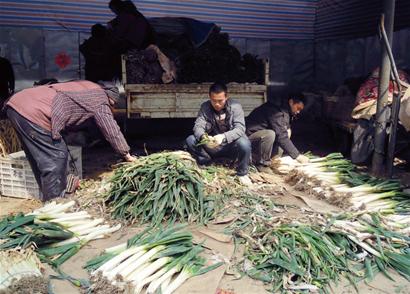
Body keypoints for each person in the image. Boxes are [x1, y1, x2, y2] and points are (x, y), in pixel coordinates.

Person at [5, 80, 135, 201]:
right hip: (32, 112)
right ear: (112, 100)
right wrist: (125, 153)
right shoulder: (101, 100)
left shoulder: (87, 86)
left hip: (16, 105)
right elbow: (111, 130)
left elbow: (68, 109)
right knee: (56, 157)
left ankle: (48, 197)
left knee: (41, 158)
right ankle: (55, 204)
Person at [185, 82, 252, 186]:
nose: (217, 104)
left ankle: (242, 173)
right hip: (212, 146)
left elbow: (240, 128)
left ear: (226, 97)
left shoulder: (236, 106)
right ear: (209, 97)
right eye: (214, 101)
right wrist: (204, 137)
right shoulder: (205, 107)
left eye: (220, 101)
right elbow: (198, 126)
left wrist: (223, 137)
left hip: (230, 145)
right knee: (191, 139)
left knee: (244, 142)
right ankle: (206, 163)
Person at [246, 93, 309, 173]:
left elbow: (284, 132)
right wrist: (297, 156)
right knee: (270, 134)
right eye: (298, 108)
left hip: (259, 139)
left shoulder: (285, 110)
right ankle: (261, 164)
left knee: (283, 133)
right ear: (291, 102)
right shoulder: (275, 111)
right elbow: (281, 136)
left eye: (300, 110)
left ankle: (273, 161)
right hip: (248, 139)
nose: (298, 112)